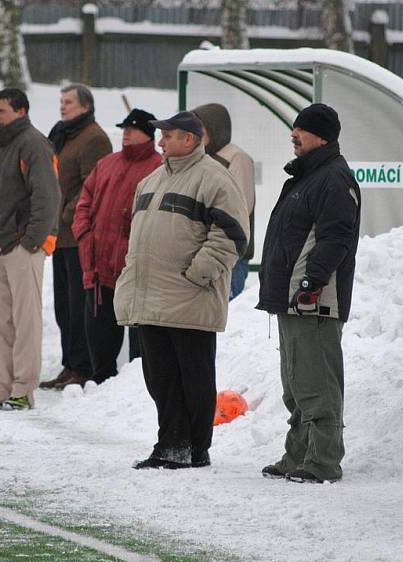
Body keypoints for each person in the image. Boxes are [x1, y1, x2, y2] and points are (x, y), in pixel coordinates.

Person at [114, 111, 248, 469]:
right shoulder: (152, 180)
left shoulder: (214, 179)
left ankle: (194, 448)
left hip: (190, 296)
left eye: (168, 135)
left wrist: (198, 273)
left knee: (194, 378)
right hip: (152, 297)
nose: (160, 141)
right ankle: (170, 445)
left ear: (190, 139)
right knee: (160, 379)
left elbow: (234, 234)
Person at [256, 103, 361, 484]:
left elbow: (336, 238)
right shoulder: (308, 177)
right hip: (294, 299)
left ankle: (322, 462)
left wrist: (310, 283)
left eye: (301, 130)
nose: (293, 135)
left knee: (317, 384)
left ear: (322, 136)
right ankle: (298, 455)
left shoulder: (333, 178)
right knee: (297, 383)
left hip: (313, 299)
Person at [0, 88, 60, 411]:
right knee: (0, 321)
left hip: (21, 246)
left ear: (21, 111)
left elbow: (47, 197)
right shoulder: (1, 142)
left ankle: (23, 388)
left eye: (3, 111)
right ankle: (2, 387)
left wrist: (32, 242)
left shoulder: (33, 143)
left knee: (25, 320)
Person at [71, 108, 162, 383]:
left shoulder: (158, 167)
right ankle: (101, 383)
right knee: (99, 334)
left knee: (139, 338)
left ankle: (135, 387)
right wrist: (84, 233)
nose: (126, 133)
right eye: (124, 128)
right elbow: (84, 199)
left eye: (131, 129)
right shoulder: (107, 163)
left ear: (147, 134)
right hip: (99, 267)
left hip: (132, 270)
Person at [41, 83, 112, 390]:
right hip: (60, 235)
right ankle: (69, 364)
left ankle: (82, 366)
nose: (62, 106)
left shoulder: (94, 138)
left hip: (79, 235)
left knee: (78, 304)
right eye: (61, 101)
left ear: (85, 106)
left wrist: (67, 215)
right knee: (63, 306)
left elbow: (91, 186)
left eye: (68, 101)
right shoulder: (64, 134)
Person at [192, 103, 256, 300]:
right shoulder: (201, 158)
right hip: (204, 254)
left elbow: (240, 207)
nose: (196, 134)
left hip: (231, 256)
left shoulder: (236, 158)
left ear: (215, 129)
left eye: (200, 129)